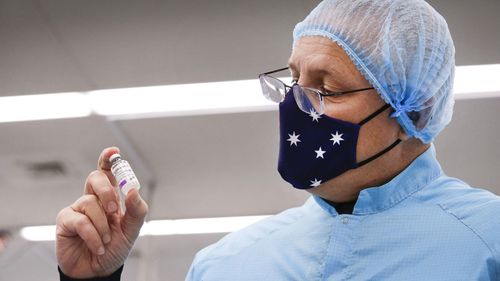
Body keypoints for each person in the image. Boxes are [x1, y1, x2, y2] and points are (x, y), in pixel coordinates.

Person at [56, 0, 500, 280]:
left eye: (325, 89)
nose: (295, 106)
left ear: (413, 111)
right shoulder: (226, 265)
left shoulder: (487, 242)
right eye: (292, 82)